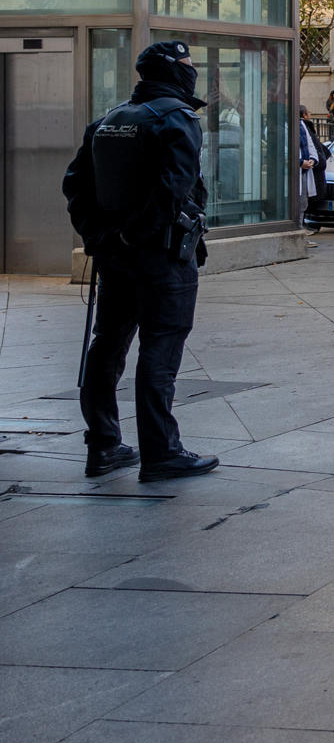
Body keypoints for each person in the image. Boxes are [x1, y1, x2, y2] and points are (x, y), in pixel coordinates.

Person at [61, 40, 219, 482]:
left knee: (108, 346)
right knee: (159, 350)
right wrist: (136, 235)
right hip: (162, 257)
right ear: (173, 72)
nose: (193, 72)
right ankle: (161, 451)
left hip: (116, 258)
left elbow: (75, 186)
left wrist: (101, 237)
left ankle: (104, 445)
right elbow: (173, 190)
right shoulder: (177, 119)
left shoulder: (109, 120)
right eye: (188, 66)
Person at [295, 104, 323, 231]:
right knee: (296, 203)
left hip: (305, 169)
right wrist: (300, 162)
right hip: (297, 169)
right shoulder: (285, 123)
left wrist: (312, 159)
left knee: (303, 202)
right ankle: (297, 230)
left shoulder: (302, 125)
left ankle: (300, 230)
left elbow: (310, 145)